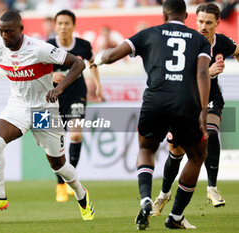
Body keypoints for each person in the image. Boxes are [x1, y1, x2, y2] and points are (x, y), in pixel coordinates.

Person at [92, 0, 211, 229]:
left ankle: (146, 197)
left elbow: (109, 57)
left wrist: (95, 60)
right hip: (186, 103)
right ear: (186, 15)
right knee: (196, 157)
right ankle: (175, 216)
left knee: (147, 149)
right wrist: (204, 109)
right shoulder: (199, 39)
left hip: (155, 100)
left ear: (163, 16)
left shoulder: (149, 33)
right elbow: (203, 72)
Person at [0, 10, 95, 220]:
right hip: (17, 107)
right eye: (1, 32)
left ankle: (82, 194)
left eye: (9, 32)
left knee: (58, 165)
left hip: (43, 111)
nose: (5, 36)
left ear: (21, 30)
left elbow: (78, 64)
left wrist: (60, 88)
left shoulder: (40, 49)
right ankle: (0, 197)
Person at [152, 2, 239, 215]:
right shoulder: (185, 42)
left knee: (210, 132)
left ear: (218, 23)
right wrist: (206, 73)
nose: (204, 26)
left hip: (211, 99)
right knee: (177, 152)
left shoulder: (223, 43)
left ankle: (212, 188)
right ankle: (164, 194)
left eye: (209, 22)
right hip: (184, 100)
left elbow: (238, 50)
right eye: (200, 21)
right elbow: (175, 76)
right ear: (194, 20)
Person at [47, 9, 104, 202]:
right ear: (55, 26)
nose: (63, 27)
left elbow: (93, 64)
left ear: (73, 25)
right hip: (54, 97)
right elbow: (35, 70)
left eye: (67, 23)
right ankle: (60, 184)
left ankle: (71, 180)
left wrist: (98, 86)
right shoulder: (47, 46)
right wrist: (51, 76)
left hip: (77, 94)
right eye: (60, 23)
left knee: (76, 134)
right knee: (55, 142)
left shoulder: (83, 45)